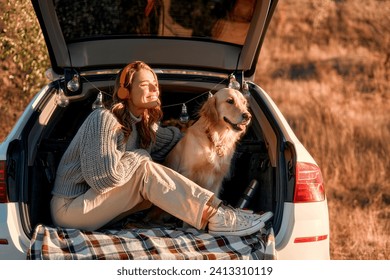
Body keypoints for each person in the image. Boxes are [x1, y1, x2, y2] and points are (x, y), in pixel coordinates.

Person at [50, 61, 272, 236]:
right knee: (145, 169)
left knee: (150, 179)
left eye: (155, 84)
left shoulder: (143, 128)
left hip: (100, 209)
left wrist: (206, 128)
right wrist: (142, 156)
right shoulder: (104, 119)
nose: (154, 88)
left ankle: (221, 213)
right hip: (71, 208)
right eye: (145, 84)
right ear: (125, 91)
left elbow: (179, 138)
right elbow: (104, 179)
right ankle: (215, 217)